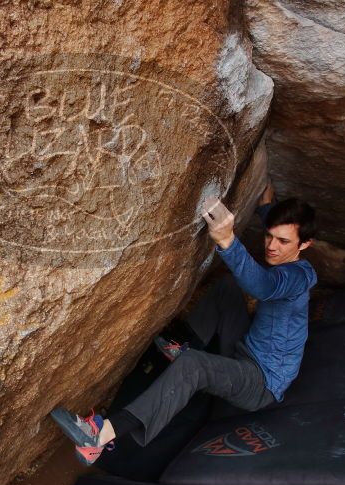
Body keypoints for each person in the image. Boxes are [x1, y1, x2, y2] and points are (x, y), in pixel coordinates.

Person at [50, 182, 318, 465]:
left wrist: (227, 241)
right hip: (247, 348)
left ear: (305, 245)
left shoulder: (298, 278)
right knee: (226, 288)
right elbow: (278, 229)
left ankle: (100, 436)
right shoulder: (284, 241)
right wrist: (266, 208)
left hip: (261, 382)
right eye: (269, 236)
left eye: (283, 242)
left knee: (194, 366)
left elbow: (263, 286)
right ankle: (184, 345)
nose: (272, 246)